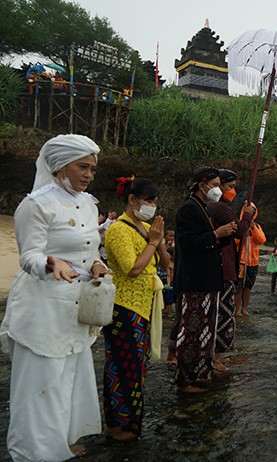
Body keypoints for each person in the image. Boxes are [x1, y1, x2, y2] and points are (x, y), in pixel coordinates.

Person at [1, 134, 109, 461]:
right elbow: (28, 255)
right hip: (43, 306)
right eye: (82, 166)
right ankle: (34, 452)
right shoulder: (36, 204)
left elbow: (90, 249)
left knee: (68, 377)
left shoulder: (89, 204)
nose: (89, 174)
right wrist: (49, 263)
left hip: (75, 307)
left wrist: (97, 265)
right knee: (41, 382)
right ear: (61, 165)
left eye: (92, 168)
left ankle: (61, 440)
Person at [102, 177, 169, 441]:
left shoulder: (143, 228)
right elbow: (132, 269)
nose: (152, 206)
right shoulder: (120, 229)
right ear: (133, 200)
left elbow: (164, 262)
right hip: (123, 305)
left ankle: (131, 420)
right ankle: (116, 424)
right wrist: (152, 242)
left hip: (143, 306)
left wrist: (159, 243)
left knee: (138, 366)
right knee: (121, 365)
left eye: (154, 201)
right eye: (149, 200)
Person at [171, 167, 237, 392]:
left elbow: (213, 241)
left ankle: (201, 372)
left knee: (206, 331)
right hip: (195, 280)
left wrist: (224, 235)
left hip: (208, 279)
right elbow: (188, 244)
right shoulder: (189, 209)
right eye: (216, 184)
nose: (218, 189)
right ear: (203, 185)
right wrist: (217, 234)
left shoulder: (203, 208)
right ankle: (185, 379)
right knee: (192, 330)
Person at [207, 169, 255, 369]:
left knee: (218, 314)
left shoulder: (213, 207)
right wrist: (247, 216)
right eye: (230, 186)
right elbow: (241, 231)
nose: (233, 191)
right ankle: (215, 356)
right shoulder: (219, 208)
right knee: (221, 314)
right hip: (223, 267)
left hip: (221, 266)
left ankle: (215, 355)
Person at [235, 205, 266, 316]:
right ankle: (237, 309)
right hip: (241, 261)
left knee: (249, 285)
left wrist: (253, 229)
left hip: (253, 261)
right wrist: (243, 235)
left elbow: (261, 240)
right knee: (238, 285)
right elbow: (234, 242)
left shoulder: (256, 226)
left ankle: (245, 308)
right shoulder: (239, 224)